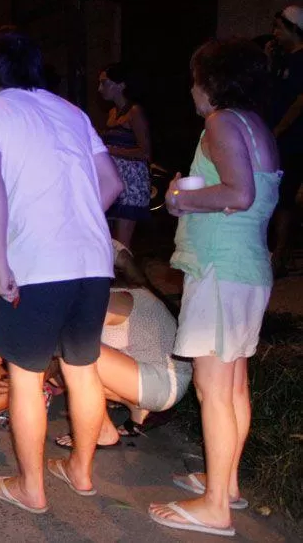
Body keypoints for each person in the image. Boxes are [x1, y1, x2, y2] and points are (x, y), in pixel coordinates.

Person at [0, 27, 124, 514]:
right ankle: (80, 471)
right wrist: (72, 223)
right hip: (93, 262)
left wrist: (1, 262)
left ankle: (31, 489)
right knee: (82, 370)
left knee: (26, 377)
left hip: (37, 266)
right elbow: (112, 184)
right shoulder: (72, 112)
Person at [150, 38, 280, 537]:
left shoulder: (221, 122)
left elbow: (239, 193)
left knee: (213, 389)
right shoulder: (254, 124)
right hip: (244, 268)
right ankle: (225, 487)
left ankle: (215, 508)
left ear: (210, 81)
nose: (191, 89)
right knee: (233, 385)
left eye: (194, 78)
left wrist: (181, 196)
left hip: (220, 269)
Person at [53, 242, 190, 449]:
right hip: (159, 378)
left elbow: (65, 345)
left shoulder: (112, 300)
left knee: (72, 354)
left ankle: (103, 431)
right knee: (66, 359)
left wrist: (20, 384)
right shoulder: (120, 291)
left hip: (163, 383)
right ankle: (136, 407)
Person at [98, 63, 153, 249]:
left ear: (120, 85)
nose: (100, 88)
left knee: (122, 245)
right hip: (114, 181)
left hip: (132, 183)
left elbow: (145, 152)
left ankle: (131, 278)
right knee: (108, 242)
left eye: (104, 83)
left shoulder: (134, 112)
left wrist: (112, 150)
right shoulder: (113, 113)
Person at [267, 5, 303, 277]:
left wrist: (280, 128)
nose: (275, 33)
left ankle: (279, 253)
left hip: (293, 140)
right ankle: (270, 250)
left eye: (280, 28)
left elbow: (299, 101)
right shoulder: (282, 59)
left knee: (285, 196)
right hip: (275, 137)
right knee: (271, 193)